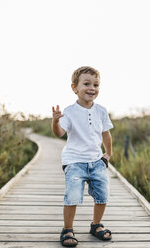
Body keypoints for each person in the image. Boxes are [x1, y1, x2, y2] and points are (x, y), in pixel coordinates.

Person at [51, 66, 113, 247]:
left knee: (103, 195)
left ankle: (96, 225)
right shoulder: (69, 111)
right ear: (74, 88)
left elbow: (106, 134)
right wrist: (55, 121)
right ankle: (68, 229)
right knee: (72, 196)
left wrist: (108, 154)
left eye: (96, 84)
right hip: (74, 161)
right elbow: (59, 133)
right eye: (86, 84)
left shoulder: (101, 111)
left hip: (96, 161)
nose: (92, 88)